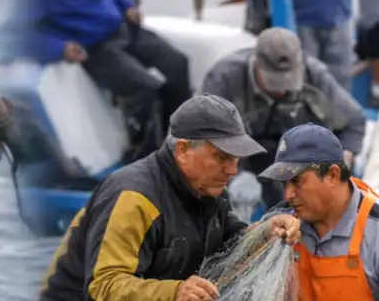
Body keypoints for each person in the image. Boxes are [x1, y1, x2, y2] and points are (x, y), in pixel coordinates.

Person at [39, 93, 298, 301]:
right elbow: (104, 287)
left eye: (236, 158)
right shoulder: (133, 197)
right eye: (222, 157)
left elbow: (230, 246)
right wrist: (174, 292)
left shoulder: (209, 190)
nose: (232, 170)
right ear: (183, 150)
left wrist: (268, 232)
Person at [22, 0, 192, 161]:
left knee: (177, 63)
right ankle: (146, 155)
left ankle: (180, 136)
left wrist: (127, 6)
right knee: (145, 88)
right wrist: (58, 48)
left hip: (120, 28)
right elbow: (23, 35)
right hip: (94, 48)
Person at [201, 26, 366, 207]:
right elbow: (205, 137)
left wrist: (343, 157)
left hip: (300, 159)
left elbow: (353, 121)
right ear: (256, 65)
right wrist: (233, 174)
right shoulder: (224, 80)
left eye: (289, 81)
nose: (281, 90)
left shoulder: (314, 76)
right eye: (274, 81)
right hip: (244, 159)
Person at [259, 123, 379, 299]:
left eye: (296, 181)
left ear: (332, 175)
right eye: (284, 183)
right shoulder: (282, 220)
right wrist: (265, 233)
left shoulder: (375, 232)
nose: (288, 194)